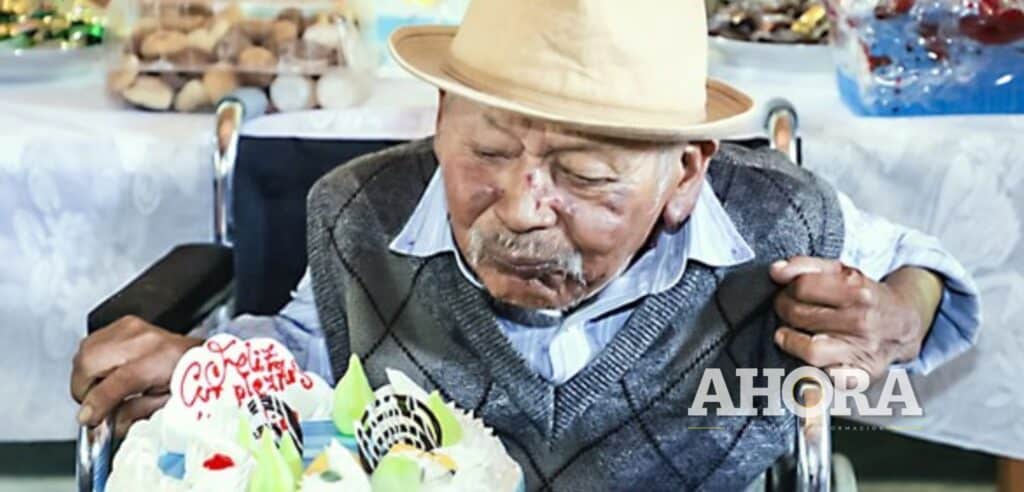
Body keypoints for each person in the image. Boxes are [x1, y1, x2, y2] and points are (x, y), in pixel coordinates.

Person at [71, 0, 981, 489]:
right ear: (439, 119)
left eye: (584, 174)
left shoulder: (779, 221)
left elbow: (930, 278)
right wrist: (200, 374)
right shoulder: (360, 213)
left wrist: (899, 310)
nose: (520, 208)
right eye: (488, 150)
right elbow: (314, 352)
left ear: (687, 171)